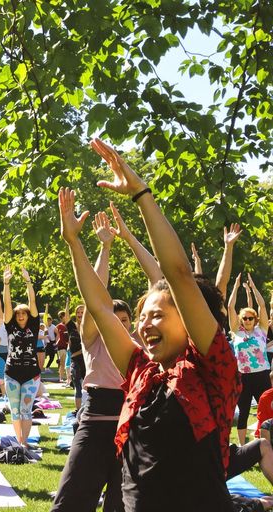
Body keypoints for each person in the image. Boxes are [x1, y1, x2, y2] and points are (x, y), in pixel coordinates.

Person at [60, 139, 240, 510]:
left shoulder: (211, 366)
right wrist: (74, 243)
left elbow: (178, 275)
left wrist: (140, 194)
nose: (145, 325)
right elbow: (99, 307)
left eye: (156, 314)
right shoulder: (141, 371)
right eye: (142, 318)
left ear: (189, 320)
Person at [53, 205, 160, 512]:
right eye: (115, 320)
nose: (120, 325)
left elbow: (160, 285)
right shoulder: (92, 340)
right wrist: (105, 247)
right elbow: (94, 298)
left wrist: (129, 238)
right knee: (70, 501)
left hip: (132, 430)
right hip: (95, 422)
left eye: (126, 320)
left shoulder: (142, 345)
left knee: (121, 506)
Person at [228, 273, 271, 445]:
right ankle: (243, 447)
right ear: (240, 320)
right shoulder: (236, 332)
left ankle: (267, 443)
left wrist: (253, 288)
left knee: (268, 410)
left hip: (262, 376)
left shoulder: (262, 330)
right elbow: (230, 307)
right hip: (243, 377)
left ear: (255, 319)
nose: (247, 320)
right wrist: (236, 287)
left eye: (250, 318)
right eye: (244, 318)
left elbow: (261, 305)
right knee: (244, 410)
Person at [2, 264, 41, 448]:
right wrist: (6, 284)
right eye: (18, 314)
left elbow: (33, 302)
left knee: (26, 410)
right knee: (15, 411)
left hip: (31, 374)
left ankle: (24, 442)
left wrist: (28, 282)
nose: (20, 316)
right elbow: (7, 304)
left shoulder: (33, 325)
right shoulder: (10, 326)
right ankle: (19, 441)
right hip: (11, 374)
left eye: (23, 313)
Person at [67, 305, 87, 409]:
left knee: (89, 387)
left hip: (87, 362)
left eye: (82, 312)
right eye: (78, 312)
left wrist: (80, 351)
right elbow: (66, 318)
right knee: (78, 387)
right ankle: (78, 411)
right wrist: (67, 304)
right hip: (75, 361)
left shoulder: (90, 328)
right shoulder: (72, 327)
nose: (80, 314)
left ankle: (88, 410)